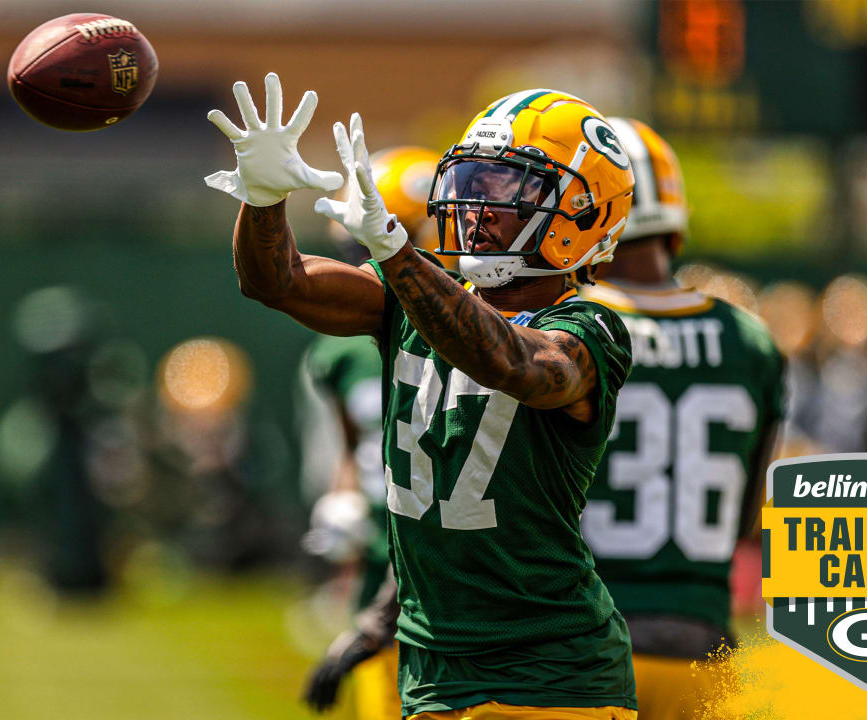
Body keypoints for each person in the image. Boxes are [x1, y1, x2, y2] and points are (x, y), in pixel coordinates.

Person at [206, 74, 637, 719]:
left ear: (584, 215)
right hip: (431, 666)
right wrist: (265, 197)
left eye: (507, 190)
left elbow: (512, 362)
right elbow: (278, 281)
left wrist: (401, 255)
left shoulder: (591, 329)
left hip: (549, 670)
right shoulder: (410, 294)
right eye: (473, 184)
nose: (475, 207)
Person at [579, 118, 786, 720]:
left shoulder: (569, 328)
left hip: (587, 642)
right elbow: (746, 514)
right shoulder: (750, 338)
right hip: (705, 644)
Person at [298, 146, 440, 719]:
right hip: (386, 554)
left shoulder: (476, 326)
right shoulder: (334, 350)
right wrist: (342, 495)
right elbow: (353, 442)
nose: (360, 262)